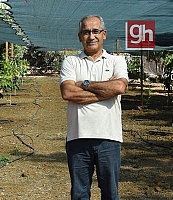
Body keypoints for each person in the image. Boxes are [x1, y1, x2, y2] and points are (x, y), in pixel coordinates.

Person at [59, 15, 128, 200]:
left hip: (109, 139)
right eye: (86, 32)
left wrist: (85, 84)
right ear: (80, 36)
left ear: (104, 34)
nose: (91, 36)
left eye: (96, 31)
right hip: (78, 138)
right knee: (80, 194)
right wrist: (106, 90)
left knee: (110, 194)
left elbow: (119, 87)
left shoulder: (117, 61)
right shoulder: (71, 62)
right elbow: (68, 93)